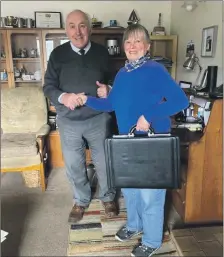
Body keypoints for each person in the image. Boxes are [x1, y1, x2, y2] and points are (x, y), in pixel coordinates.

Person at [75, 24, 189, 257]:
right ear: (124, 47)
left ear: (147, 47)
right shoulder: (123, 73)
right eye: (128, 42)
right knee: (130, 189)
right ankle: (135, 226)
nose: (132, 46)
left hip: (152, 142)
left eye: (138, 41)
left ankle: (152, 239)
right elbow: (111, 104)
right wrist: (85, 99)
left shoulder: (155, 69)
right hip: (126, 141)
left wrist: (149, 115)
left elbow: (180, 101)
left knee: (150, 194)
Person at [43, 9, 117, 223]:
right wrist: (63, 96)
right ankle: (81, 200)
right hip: (68, 120)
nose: (78, 31)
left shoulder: (102, 53)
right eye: (72, 26)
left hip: (98, 118)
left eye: (82, 25)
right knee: (74, 164)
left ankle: (108, 196)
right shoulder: (57, 55)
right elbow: (48, 86)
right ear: (66, 30)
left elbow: (115, 80)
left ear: (90, 29)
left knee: (104, 162)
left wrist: (109, 88)